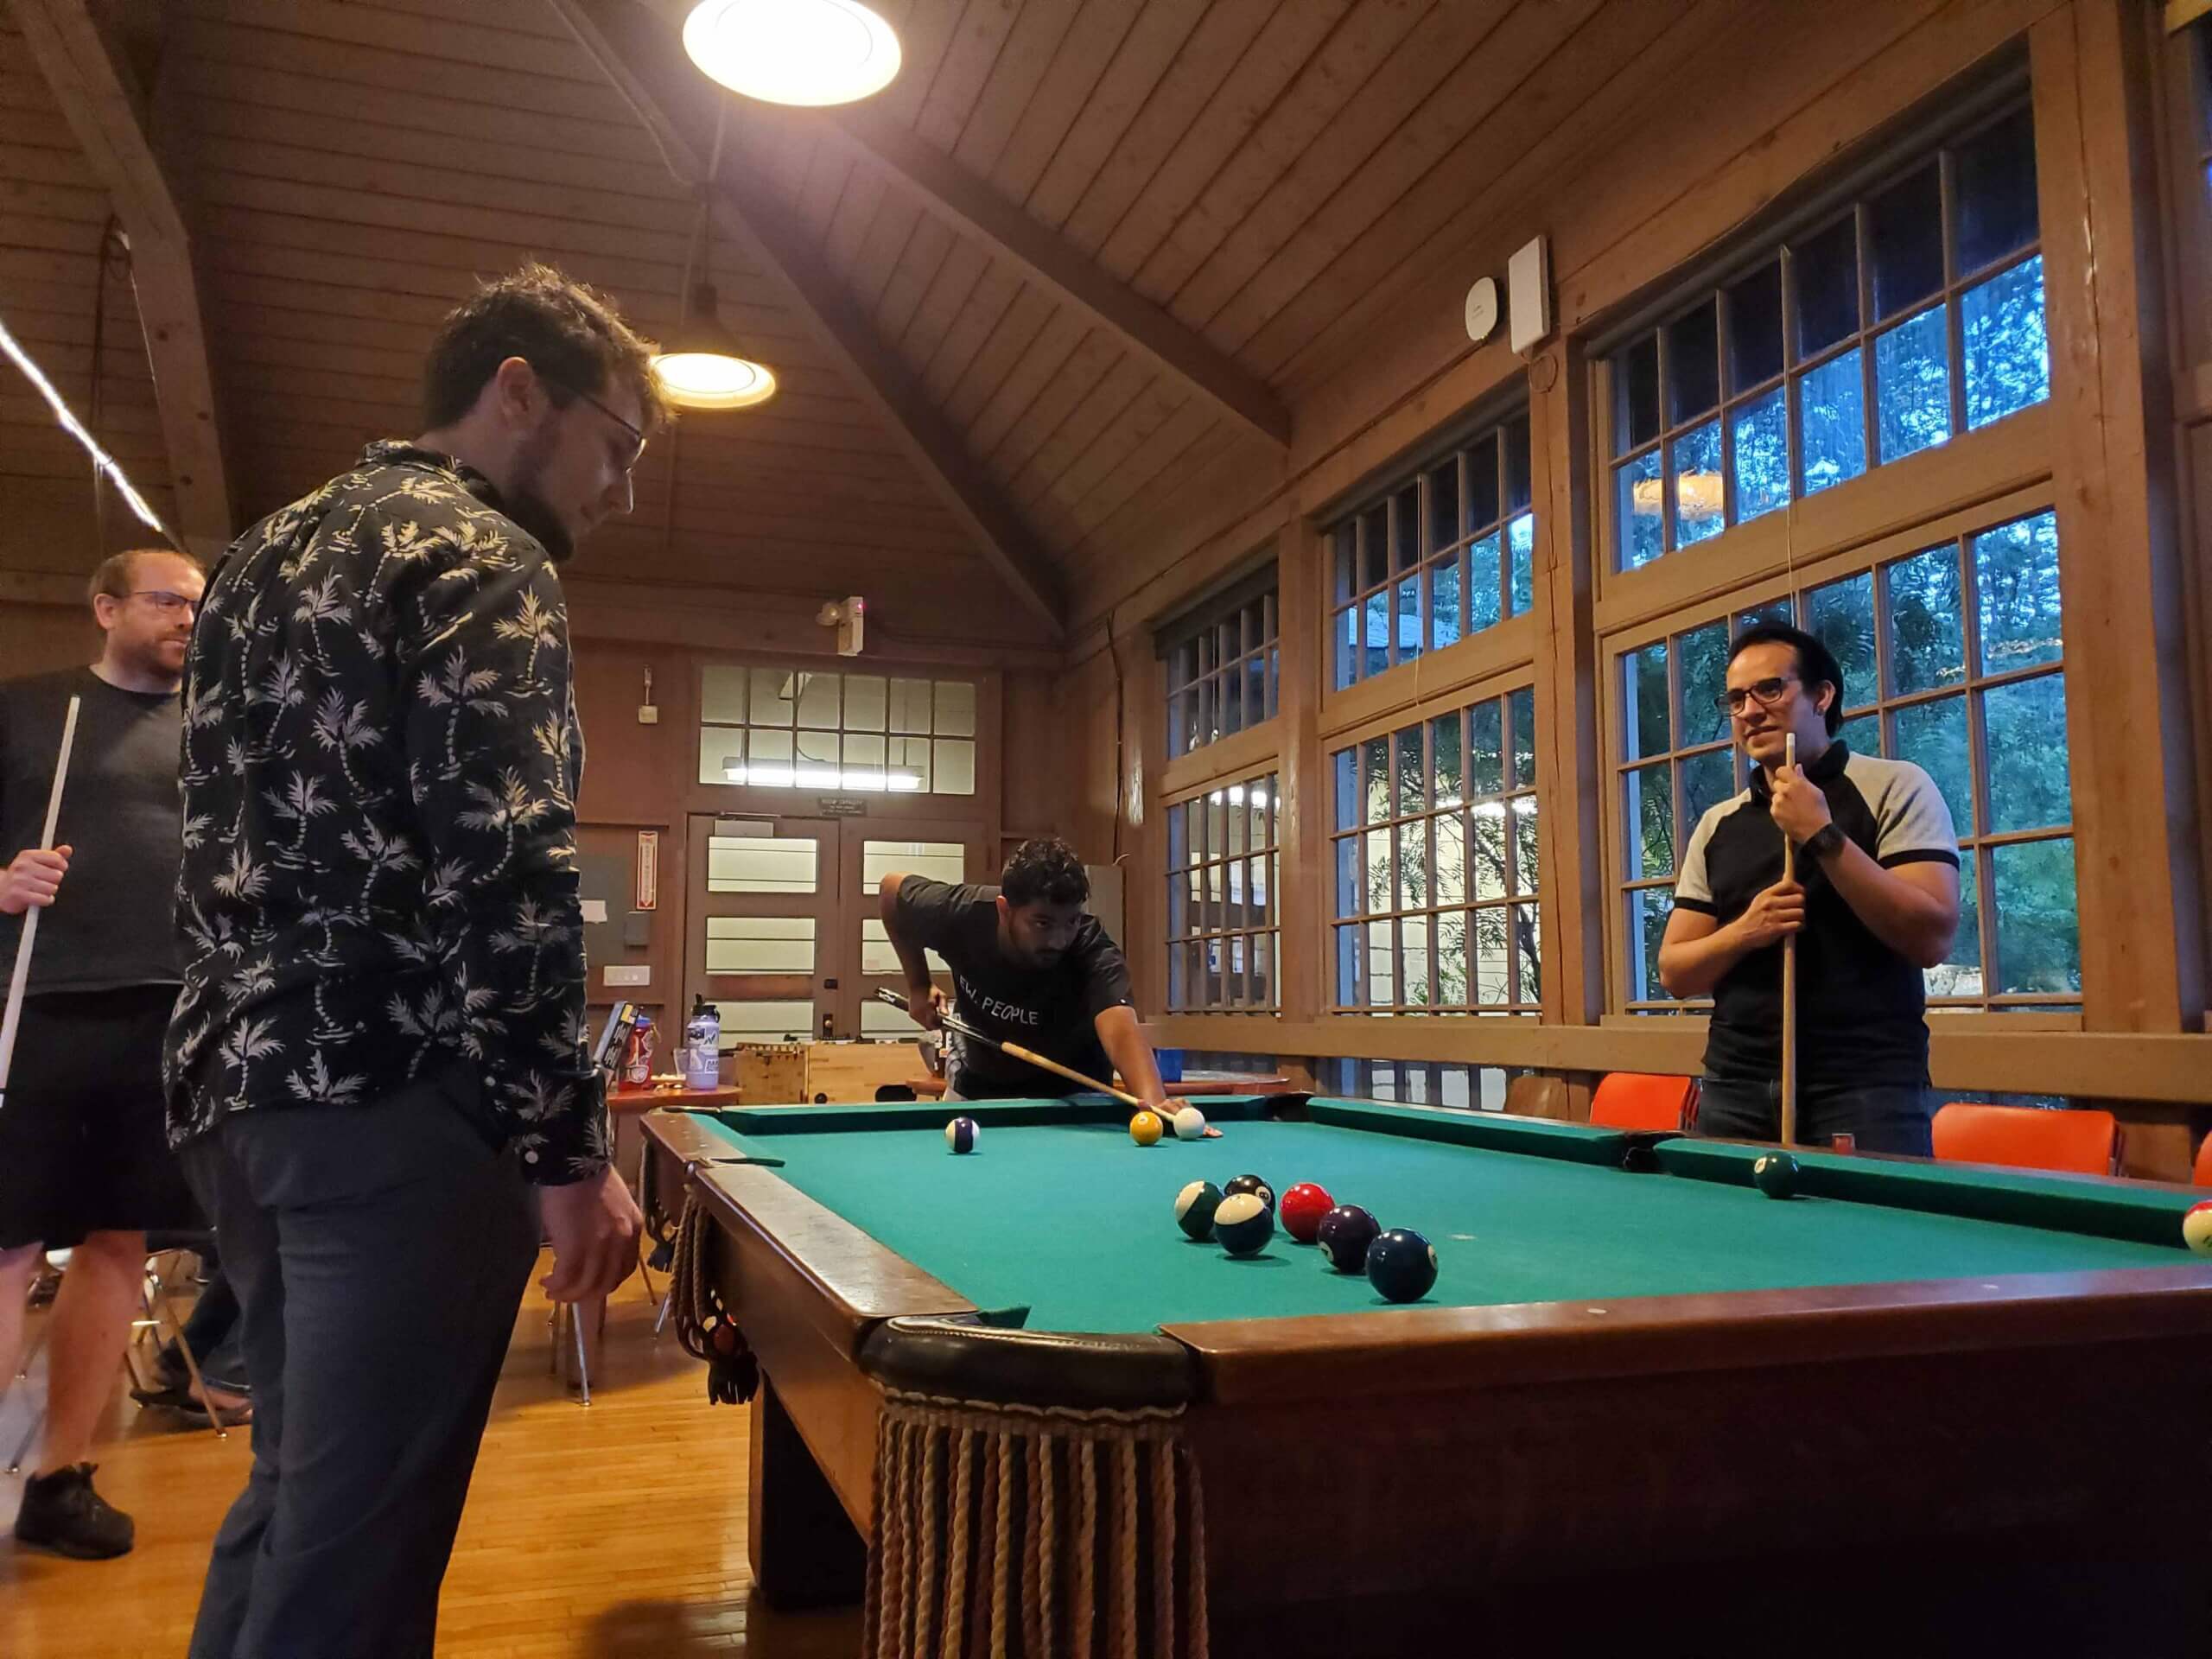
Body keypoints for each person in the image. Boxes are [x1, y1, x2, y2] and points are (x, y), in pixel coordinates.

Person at [163, 264, 661, 1659]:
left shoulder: (258, 556)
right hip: (389, 1107)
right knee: (358, 1564)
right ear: (519, 392)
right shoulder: (482, 555)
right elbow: (504, 875)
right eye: (615, 445)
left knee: (297, 1503)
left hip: (233, 1097)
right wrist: (569, 1154)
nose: (620, 488)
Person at [0, 547, 206, 1559]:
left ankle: (60, 1477)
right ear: (105, 606)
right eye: (168, 600)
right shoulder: (29, 709)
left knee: (120, 1244)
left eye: (198, 606)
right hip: (33, 1010)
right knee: (8, 1252)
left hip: (167, 1015)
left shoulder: (214, 732)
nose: (186, 618)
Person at [1658, 624, 1961, 1154]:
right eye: (1736, 699)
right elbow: (1676, 972)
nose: (1750, 711)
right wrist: (1745, 932)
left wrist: (1821, 835)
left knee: (1863, 1238)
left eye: (1770, 690)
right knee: (1727, 1239)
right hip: (1735, 1084)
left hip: (1865, 1087)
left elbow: (1930, 937)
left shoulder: (1897, 786)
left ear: (1822, 695)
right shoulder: (1718, 823)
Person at [880, 837, 1171, 1115]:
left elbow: (1120, 1028)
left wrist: (1155, 1101)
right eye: (1042, 923)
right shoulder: (959, 913)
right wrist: (918, 984)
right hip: (977, 1078)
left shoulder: (1092, 948)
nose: (1059, 939)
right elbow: (891, 891)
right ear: (1005, 910)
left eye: (1071, 921)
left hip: (1073, 1090)